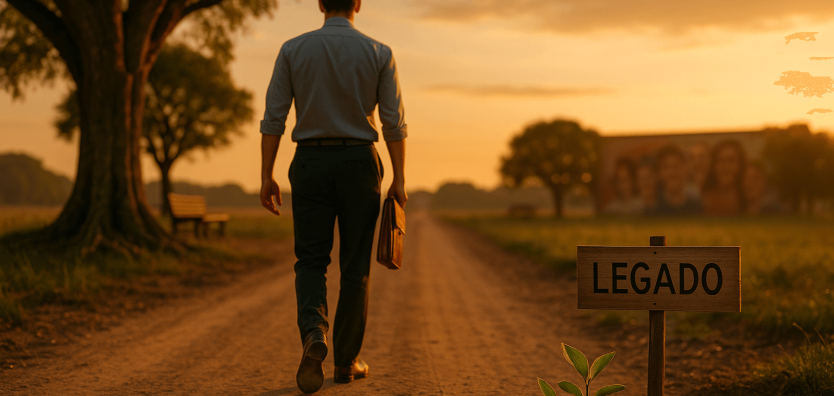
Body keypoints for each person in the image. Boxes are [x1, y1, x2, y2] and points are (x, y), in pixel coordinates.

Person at [259, 0, 408, 393]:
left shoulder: (293, 49)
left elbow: (274, 116)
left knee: (310, 260)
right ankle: (345, 362)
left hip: (309, 161)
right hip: (360, 162)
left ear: (321, 3)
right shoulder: (380, 52)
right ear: (358, 3)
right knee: (355, 266)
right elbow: (393, 122)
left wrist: (266, 175)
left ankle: (314, 333)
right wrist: (399, 177)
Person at [651, 144, 702, 216]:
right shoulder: (651, 210)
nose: (672, 172)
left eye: (676, 166)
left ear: (685, 169)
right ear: (659, 173)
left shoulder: (697, 208)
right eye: (666, 167)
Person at [702, 139, 745, 216]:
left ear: (740, 164)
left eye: (731, 161)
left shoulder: (749, 200)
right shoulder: (702, 200)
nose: (725, 167)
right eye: (721, 161)